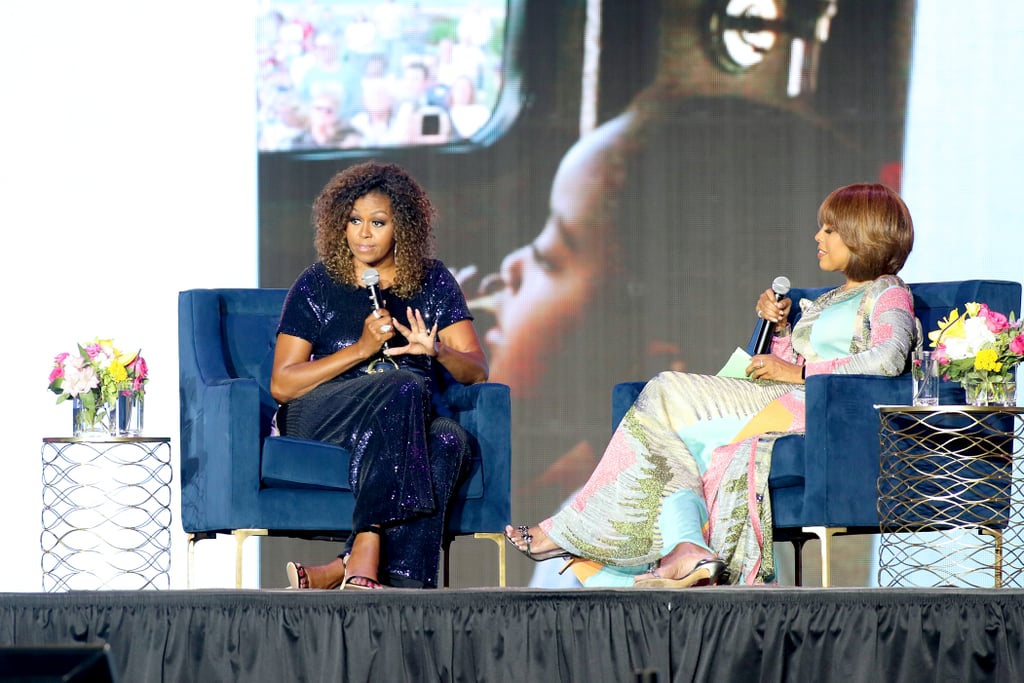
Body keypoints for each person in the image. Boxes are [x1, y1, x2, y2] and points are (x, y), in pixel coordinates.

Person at [503, 182, 916, 586]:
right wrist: (782, 329)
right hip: (786, 398)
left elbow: (888, 357)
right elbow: (795, 361)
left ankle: (566, 531)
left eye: (829, 229)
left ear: (863, 234)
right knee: (669, 443)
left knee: (664, 390)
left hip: (817, 411)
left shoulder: (888, 295)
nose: (817, 236)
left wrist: (801, 373)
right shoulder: (829, 299)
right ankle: (687, 548)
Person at [272, 161, 489, 590]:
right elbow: (283, 383)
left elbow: (477, 370)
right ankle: (366, 541)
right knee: (405, 383)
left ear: (402, 228)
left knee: (449, 440)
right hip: (324, 414)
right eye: (354, 221)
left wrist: (438, 350)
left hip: (406, 418)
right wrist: (361, 350)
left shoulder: (433, 281)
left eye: (377, 222)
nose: (363, 233)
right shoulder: (317, 284)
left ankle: (374, 583)